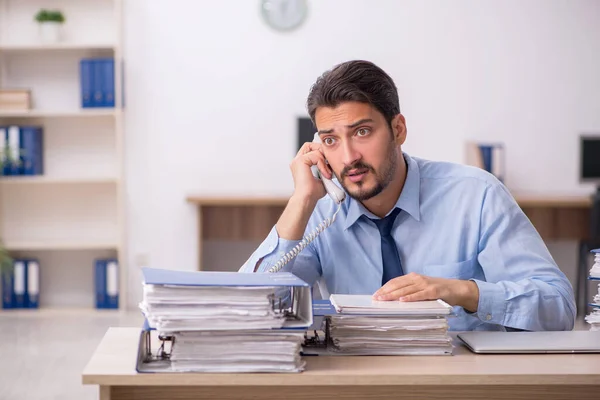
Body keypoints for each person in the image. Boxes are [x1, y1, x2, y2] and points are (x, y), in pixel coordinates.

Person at [239, 60, 576, 332]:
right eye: (330, 140)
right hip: (356, 381)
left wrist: (460, 291)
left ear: (398, 130)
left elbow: (558, 306)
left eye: (362, 132)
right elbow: (246, 311)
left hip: (459, 383)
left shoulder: (476, 194)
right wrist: (301, 201)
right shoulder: (322, 211)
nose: (348, 156)